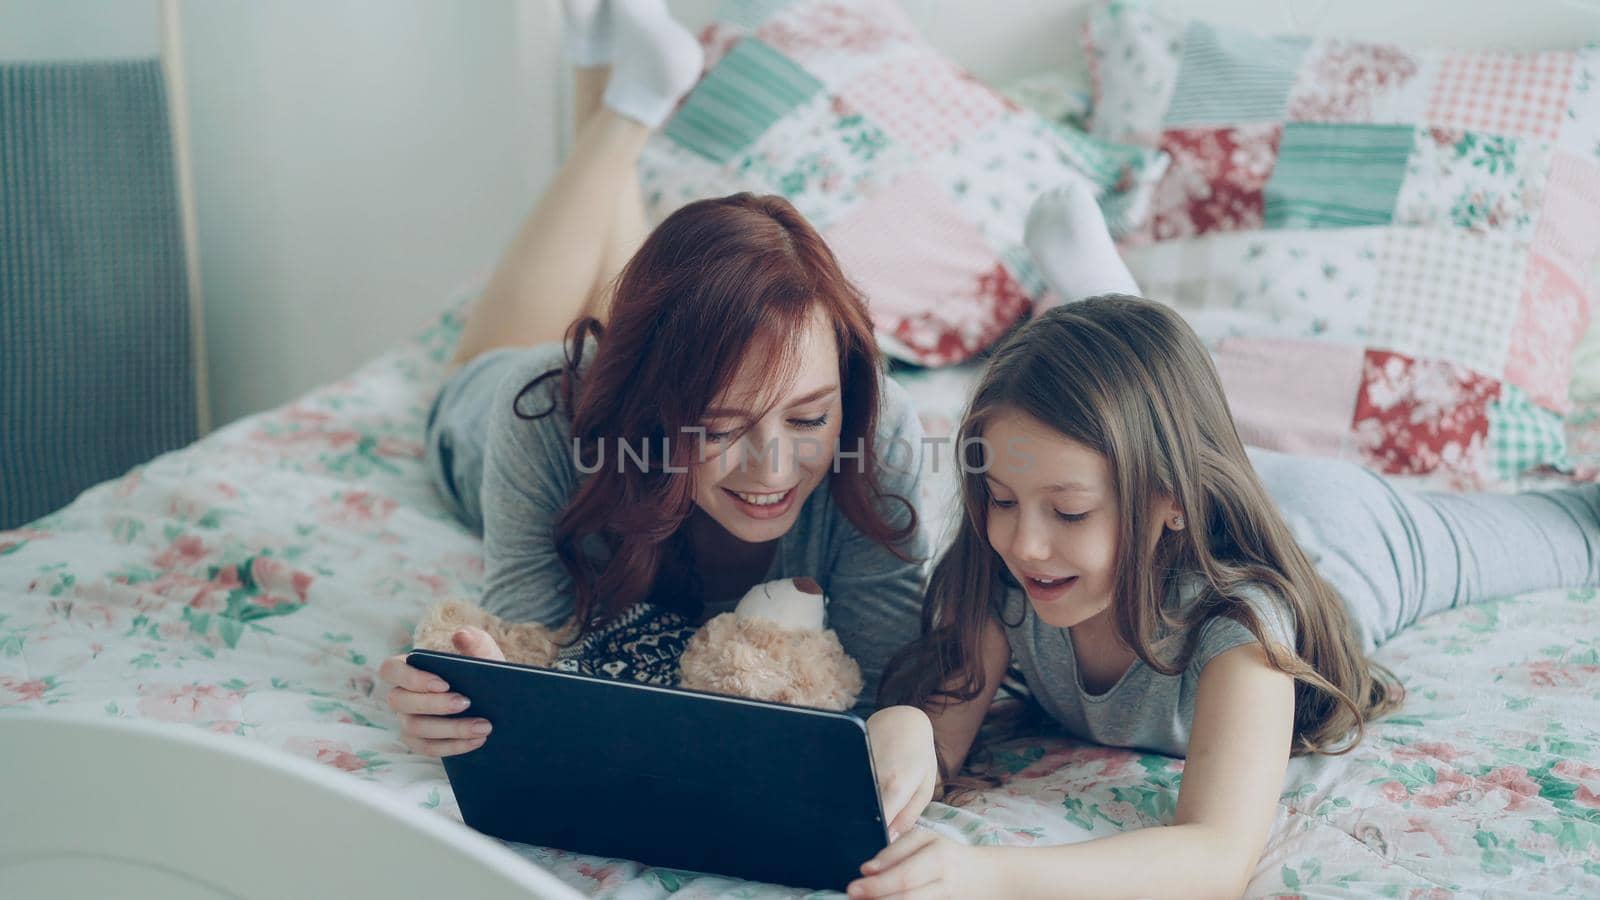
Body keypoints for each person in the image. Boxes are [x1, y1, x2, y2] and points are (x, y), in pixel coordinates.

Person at [848, 185, 1600, 899]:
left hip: (1346, 532)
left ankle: (1110, 298)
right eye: (1002, 500)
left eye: (1068, 513)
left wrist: (989, 877)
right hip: (1172, 477)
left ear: (1170, 504)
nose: (1026, 543)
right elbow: (938, 731)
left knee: (1578, 529)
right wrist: (907, 727)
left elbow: (1215, 853)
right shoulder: (1004, 574)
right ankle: (1109, 300)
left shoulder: (1241, 627)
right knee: (1147, 432)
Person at [377, 0, 929, 758]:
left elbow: (883, 674)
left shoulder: (879, 426)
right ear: (650, 412)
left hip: (645, 351)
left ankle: (620, 70)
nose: (771, 468)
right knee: (487, 358)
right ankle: (628, 109)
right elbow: (532, 646)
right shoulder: (539, 416)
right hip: (495, 401)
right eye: (721, 425)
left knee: (638, 299)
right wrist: (454, 690)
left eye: (807, 420)